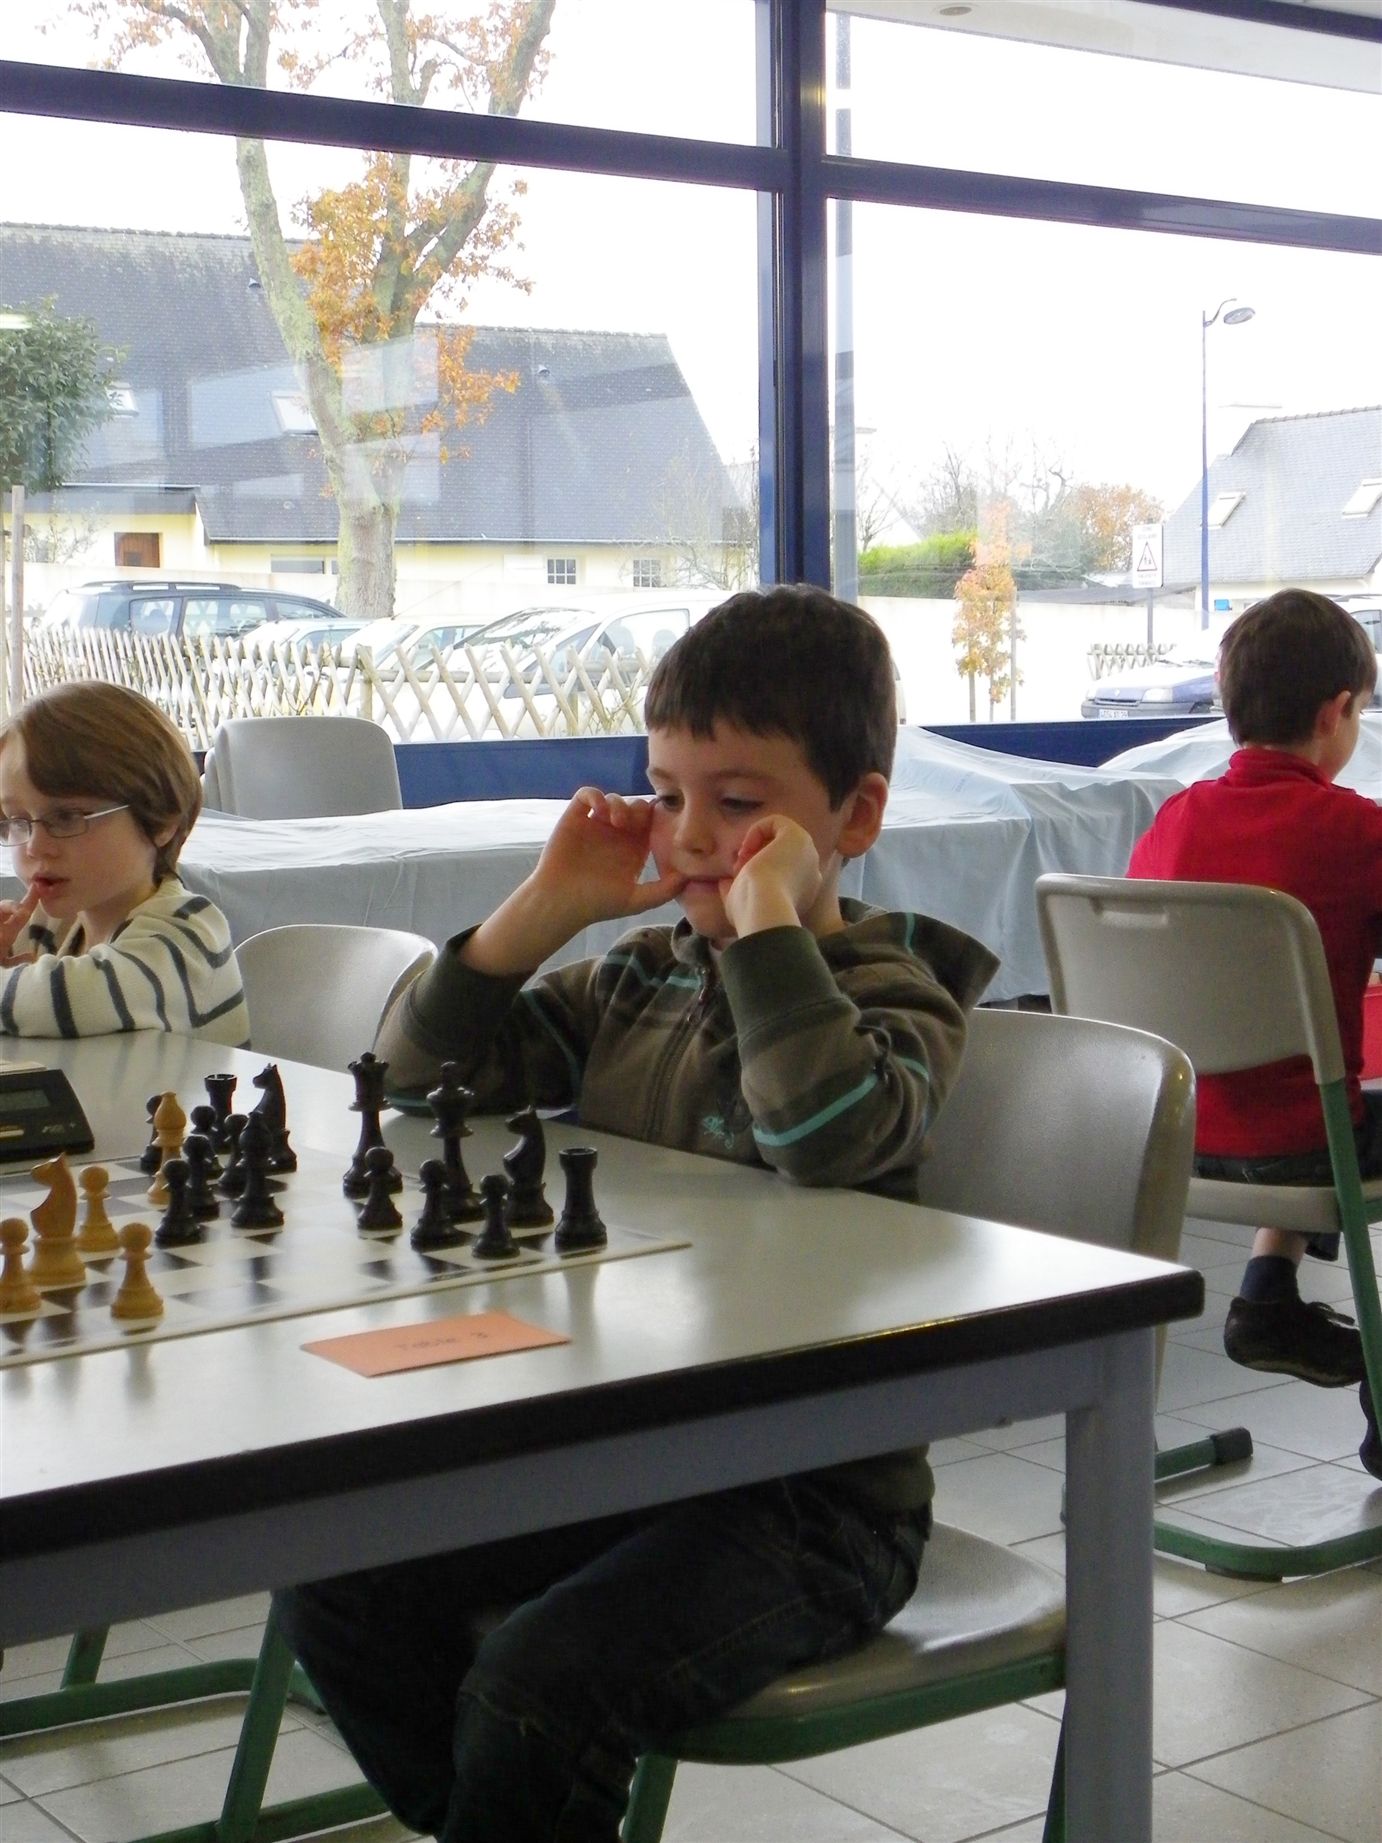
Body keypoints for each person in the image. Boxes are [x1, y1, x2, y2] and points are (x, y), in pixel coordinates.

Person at [275, 585, 999, 1843]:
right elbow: (411, 1078)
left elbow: (822, 1132)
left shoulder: (898, 987)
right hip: (620, 1455)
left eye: (739, 803)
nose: (693, 836)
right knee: (333, 1578)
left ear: (854, 816)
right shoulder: (636, 979)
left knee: (536, 1692)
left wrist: (766, 924)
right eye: (665, 794)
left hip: (811, 1499)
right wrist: (544, 907)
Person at [1127, 588, 1382, 1479]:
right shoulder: (1358, 829)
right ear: (1335, 712)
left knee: (1300, 1092)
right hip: (1305, 1148)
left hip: (1176, 1138)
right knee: (1330, 1107)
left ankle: (1269, 1291)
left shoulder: (1172, 823)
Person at [0, 681, 248, 1044]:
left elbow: (64, 1000)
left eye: (67, 817)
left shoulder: (187, 934)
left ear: (161, 821)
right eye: (16, 819)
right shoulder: (51, 923)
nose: (35, 847)